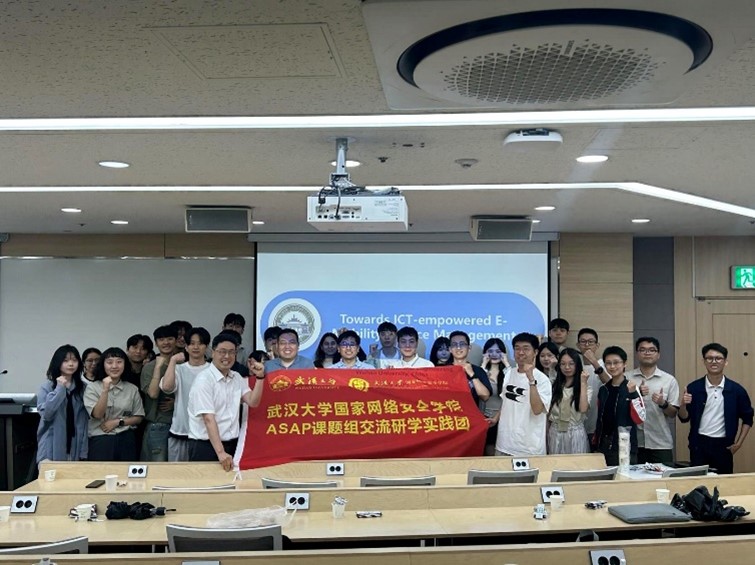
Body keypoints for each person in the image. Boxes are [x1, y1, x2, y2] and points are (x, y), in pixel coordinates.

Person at [187, 331, 265, 470]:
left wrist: (260, 378)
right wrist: (221, 452)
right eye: (222, 352)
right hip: (206, 446)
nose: (227, 356)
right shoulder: (204, 380)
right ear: (213, 353)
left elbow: (253, 402)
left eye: (231, 352)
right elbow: (208, 419)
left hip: (232, 444)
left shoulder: (237, 377)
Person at [678, 343, 753, 474]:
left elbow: (748, 418)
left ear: (725, 362)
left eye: (718, 358)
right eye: (709, 358)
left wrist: (738, 443)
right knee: (699, 482)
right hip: (699, 444)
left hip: (724, 445)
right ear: (704, 361)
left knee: (722, 482)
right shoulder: (694, 388)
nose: (714, 361)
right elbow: (684, 418)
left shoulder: (736, 390)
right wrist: (683, 404)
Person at [493, 332, 552, 456]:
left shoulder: (542, 379)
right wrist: (495, 418)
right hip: (504, 444)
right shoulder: (509, 373)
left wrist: (531, 380)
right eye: (517, 348)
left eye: (526, 349)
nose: (521, 352)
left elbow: (537, 410)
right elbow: (506, 402)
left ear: (535, 352)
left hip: (529, 448)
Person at [160, 327, 211, 462]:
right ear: (186, 347)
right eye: (192, 343)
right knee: (177, 473)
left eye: (200, 343)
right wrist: (172, 361)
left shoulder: (213, 370)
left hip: (206, 434)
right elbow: (167, 388)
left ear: (206, 347)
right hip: (180, 431)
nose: (196, 347)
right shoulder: (178, 369)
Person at [84, 347, 144, 461]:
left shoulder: (132, 389)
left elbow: (139, 417)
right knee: (101, 472)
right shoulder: (92, 387)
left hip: (126, 438)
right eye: (109, 362)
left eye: (119, 362)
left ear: (125, 365)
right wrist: (105, 390)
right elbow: (97, 414)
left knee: (125, 472)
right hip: (101, 439)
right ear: (103, 365)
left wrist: (118, 422)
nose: (114, 366)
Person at [627, 337, 680, 465]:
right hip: (633, 442)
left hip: (661, 443)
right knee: (634, 476)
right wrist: (636, 395)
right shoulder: (627, 378)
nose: (647, 353)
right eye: (643, 350)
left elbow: (673, 413)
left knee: (663, 476)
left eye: (652, 350)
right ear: (637, 353)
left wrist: (663, 403)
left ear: (658, 354)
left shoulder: (669, 380)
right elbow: (620, 408)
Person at [36, 345, 89, 463]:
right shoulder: (47, 387)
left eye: (74, 360)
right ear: (58, 362)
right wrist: (60, 389)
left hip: (75, 445)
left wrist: (83, 450)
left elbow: (84, 421)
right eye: (65, 360)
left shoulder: (83, 388)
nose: (71, 364)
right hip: (51, 444)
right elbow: (47, 414)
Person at [594, 346, 644, 466]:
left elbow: (640, 418)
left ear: (624, 364)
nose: (612, 366)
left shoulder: (631, 387)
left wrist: (633, 394)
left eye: (616, 362)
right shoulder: (603, 389)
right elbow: (600, 418)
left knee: (624, 476)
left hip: (624, 445)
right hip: (604, 445)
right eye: (608, 363)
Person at [140, 324, 178, 461]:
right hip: (158, 424)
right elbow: (153, 394)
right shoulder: (149, 367)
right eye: (161, 339)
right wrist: (158, 367)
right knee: (158, 466)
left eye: (170, 339)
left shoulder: (183, 366)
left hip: (181, 425)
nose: (166, 342)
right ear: (156, 343)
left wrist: (176, 403)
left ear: (176, 340)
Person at [547, 348, 591, 454]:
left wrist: (583, 383)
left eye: (571, 364)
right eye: (563, 364)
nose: (567, 367)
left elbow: (583, 409)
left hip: (575, 432)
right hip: (555, 431)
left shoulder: (585, 387)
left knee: (577, 463)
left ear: (577, 365)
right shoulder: (554, 385)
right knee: (555, 463)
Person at [480, 338, 510, 455]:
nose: (494, 354)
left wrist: (506, 363)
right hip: (484, 418)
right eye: (490, 351)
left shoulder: (508, 373)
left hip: (504, 418)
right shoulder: (481, 371)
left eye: (498, 351)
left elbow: (512, 387)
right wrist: (483, 365)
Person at [576, 327, 606, 445]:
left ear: (597, 345)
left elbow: (609, 383)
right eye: (583, 342)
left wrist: (594, 362)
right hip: (576, 426)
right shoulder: (573, 365)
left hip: (597, 424)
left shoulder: (604, 364)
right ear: (578, 345)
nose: (587, 345)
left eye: (590, 342)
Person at [448, 330, 492, 407]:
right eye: (454, 344)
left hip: (471, 413)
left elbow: (485, 397)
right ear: (450, 349)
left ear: (469, 348)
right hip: (448, 413)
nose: (458, 347)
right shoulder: (443, 370)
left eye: (462, 344)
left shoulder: (478, 371)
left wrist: (472, 374)